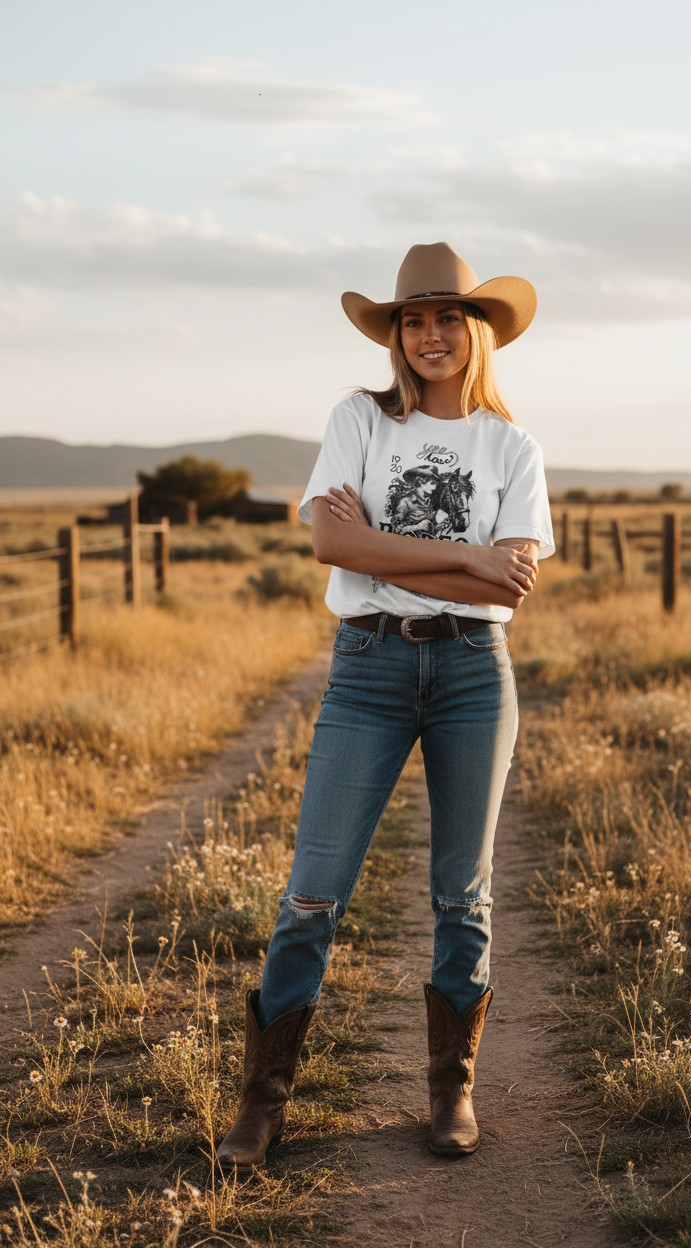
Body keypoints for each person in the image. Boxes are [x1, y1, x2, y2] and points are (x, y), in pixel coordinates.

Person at [217, 242, 555, 1171]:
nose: (430, 335)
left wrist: (398, 549)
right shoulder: (359, 419)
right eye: (413, 320)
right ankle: (263, 1099)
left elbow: (510, 583)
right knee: (311, 894)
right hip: (366, 667)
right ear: (395, 334)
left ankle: (451, 1090)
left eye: (449, 318)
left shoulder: (512, 447)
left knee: (463, 895)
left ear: (478, 331)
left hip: (474, 673)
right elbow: (332, 544)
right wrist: (469, 557)